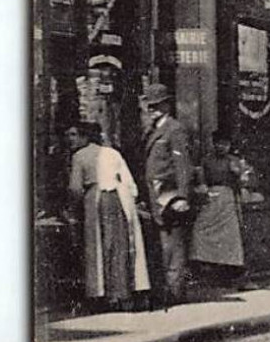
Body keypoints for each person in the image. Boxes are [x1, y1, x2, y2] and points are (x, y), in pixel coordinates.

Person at [66, 121, 150, 308]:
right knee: (119, 244)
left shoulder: (79, 156)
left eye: (73, 135)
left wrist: (72, 210)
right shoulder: (112, 153)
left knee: (98, 246)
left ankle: (103, 294)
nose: (69, 140)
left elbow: (75, 188)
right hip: (120, 198)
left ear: (85, 136)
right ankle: (122, 293)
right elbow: (129, 181)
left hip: (96, 200)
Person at [140, 82, 197, 305]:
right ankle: (165, 290)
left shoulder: (175, 129)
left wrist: (183, 196)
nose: (150, 110)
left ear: (165, 106)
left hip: (169, 196)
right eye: (149, 106)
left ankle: (175, 293)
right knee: (163, 246)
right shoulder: (153, 131)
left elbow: (183, 164)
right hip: (155, 197)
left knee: (173, 246)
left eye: (155, 106)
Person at [189, 131, 248, 284]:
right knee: (200, 230)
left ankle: (230, 269)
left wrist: (239, 174)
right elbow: (201, 180)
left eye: (225, 144)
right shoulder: (206, 160)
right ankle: (205, 266)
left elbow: (245, 180)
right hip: (211, 198)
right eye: (218, 143)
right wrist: (203, 189)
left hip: (228, 199)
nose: (221, 147)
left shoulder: (234, 160)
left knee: (229, 236)